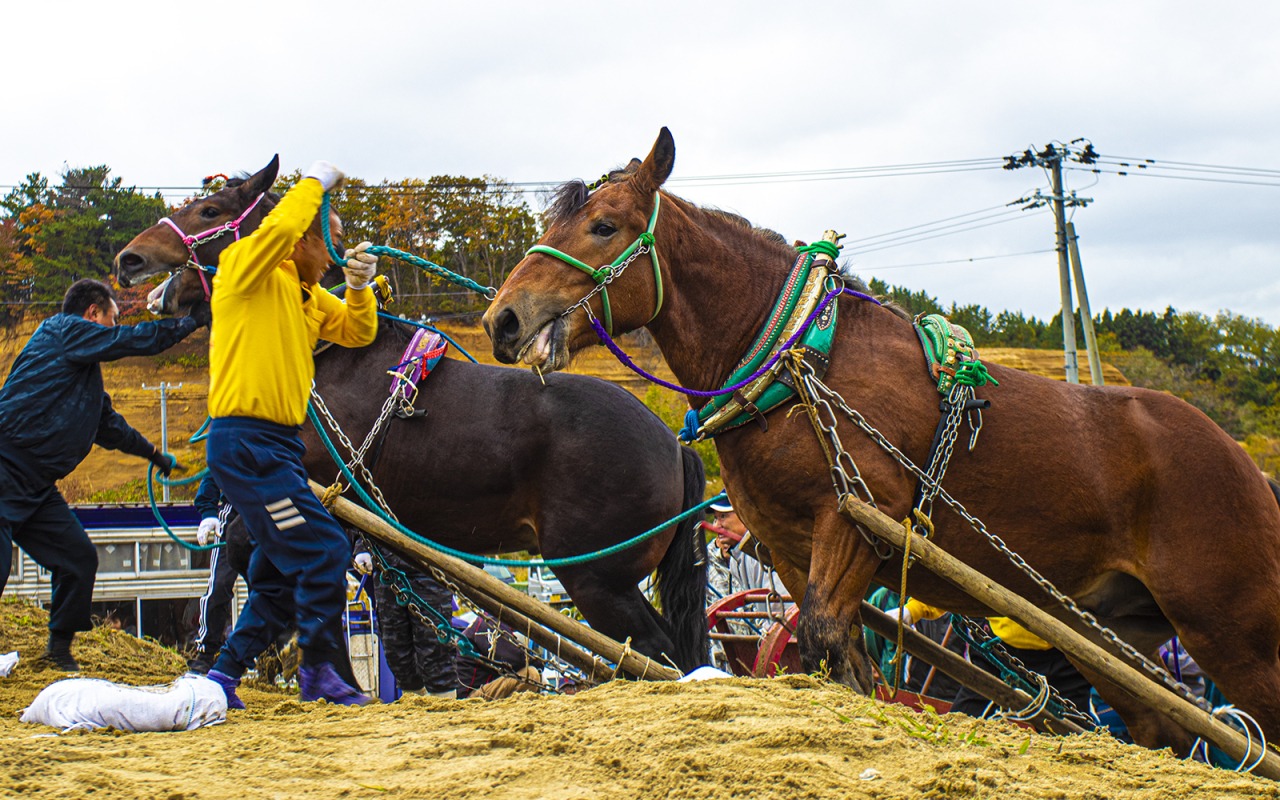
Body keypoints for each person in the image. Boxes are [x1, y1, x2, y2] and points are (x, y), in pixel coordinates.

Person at [201, 161, 379, 709]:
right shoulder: (247, 266)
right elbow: (278, 229)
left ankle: (221, 676)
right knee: (324, 548)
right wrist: (315, 185)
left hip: (276, 447)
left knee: (278, 570)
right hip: (247, 443)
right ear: (304, 237)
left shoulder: (306, 293)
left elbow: (357, 331)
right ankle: (320, 672)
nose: (335, 254)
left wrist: (357, 288)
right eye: (332, 242)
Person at [0, 278, 205, 671]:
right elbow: (128, 341)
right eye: (112, 321)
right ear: (92, 314)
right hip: (4, 464)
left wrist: (155, 455)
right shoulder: (62, 331)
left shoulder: (83, 374)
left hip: (36, 486)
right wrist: (189, 323)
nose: (113, 331)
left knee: (77, 558)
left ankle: (58, 651)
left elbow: (110, 427)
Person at [887, 599, 1095, 724]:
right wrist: (911, 610)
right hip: (997, 654)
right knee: (963, 721)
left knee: (1077, 737)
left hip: (1066, 657)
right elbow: (957, 572)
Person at [352, 539, 460, 699]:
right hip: (385, 565)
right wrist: (362, 546)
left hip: (428, 562)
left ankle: (445, 706)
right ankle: (413, 705)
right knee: (396, 651)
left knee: (435, 649)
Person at [186, 473, 240, 674]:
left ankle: (271, 652)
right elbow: (215, 468)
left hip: (269, 509)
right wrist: (209, 512)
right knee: (219, 585)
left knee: (266, 588)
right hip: (234, 512)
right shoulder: (230, 441)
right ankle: (206, 652)